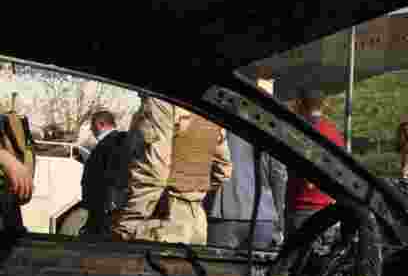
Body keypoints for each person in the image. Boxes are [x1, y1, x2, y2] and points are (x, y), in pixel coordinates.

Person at [112, 96, 232, 245]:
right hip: (196, 222)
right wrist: (190, 191)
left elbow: (153, 174)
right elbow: (223, 171)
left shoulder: (160, 101)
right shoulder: (212, 109)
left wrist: (127, 225)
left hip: (160, 220)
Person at [206, 130, 287, 250]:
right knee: (259, 267)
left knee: (219, 266)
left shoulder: (219, 120)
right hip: (263, 215)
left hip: (223, 214)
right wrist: (279, 217)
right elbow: (278, 175)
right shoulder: (270, 127)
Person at [284, 88, 346, 238]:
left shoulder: (295, 131)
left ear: (299, 104)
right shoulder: (334, 133)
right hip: (328, 209)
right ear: (323, 105)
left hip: (299, 206)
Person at [77, 110, 129, 237]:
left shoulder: (114, 142)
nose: (91, 129)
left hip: (104, 207)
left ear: (100, 124)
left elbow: (113, 174)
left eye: (92, 126)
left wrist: (109, 203)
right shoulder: (113, 141)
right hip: (101, 206)